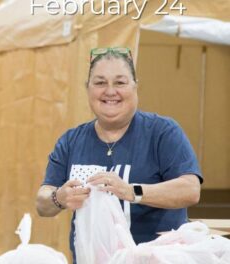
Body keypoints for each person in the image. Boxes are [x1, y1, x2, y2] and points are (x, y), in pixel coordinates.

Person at [36, 47, 202, 262]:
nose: (110, 91)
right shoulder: (71, 141)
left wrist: (131, 191)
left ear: (135, 87)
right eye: (100, 82)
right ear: (88, 89)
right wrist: (59, 197)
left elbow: (190, 189)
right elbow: (42, 202)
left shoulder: (162, 132)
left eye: (120, 82)